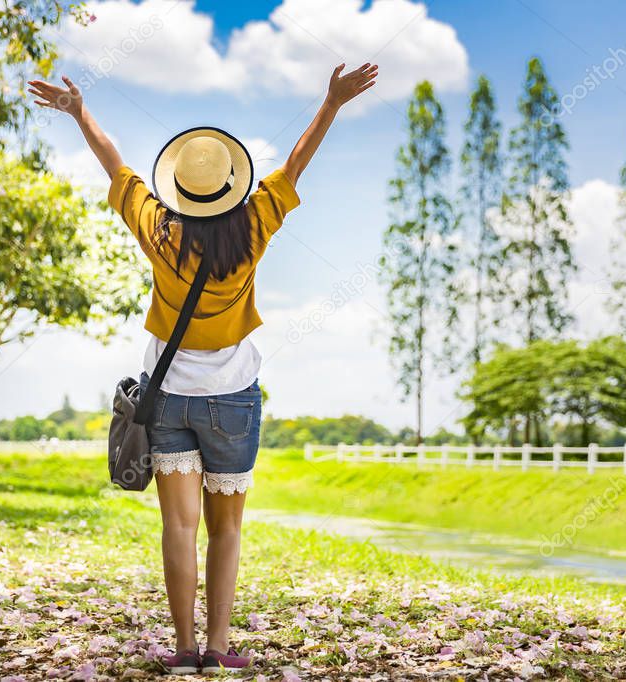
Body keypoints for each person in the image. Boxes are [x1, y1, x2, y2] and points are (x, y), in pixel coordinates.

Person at [27, 61, 378, 674]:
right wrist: (330, 104)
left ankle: (185, 651)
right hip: (233, 395)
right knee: (228, 530)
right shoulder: (253, 226)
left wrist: (80, 112)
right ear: (231, 187)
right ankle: (218, 649)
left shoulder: (159, 232)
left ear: (179, 189)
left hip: (167, 397)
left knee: (179, 527)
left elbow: (116, 168)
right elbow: (295, 166)